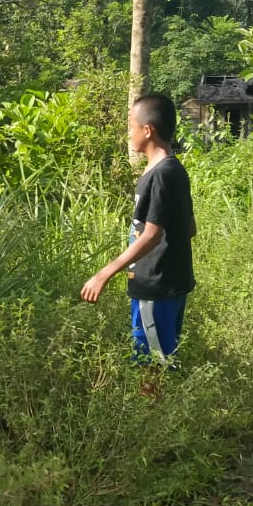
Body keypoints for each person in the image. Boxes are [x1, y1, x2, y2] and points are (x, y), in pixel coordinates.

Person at [80, 93, 197, 370]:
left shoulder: (159, 176)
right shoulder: (174, 170)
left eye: (130, 126)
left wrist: (104, 273)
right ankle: (164, 409)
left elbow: (151, 234)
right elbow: (189, 227)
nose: (128, 133)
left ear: (147, 130)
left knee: (151, 365)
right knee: (162, 358)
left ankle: (154, 412)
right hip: (171, 284)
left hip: (155, 288)